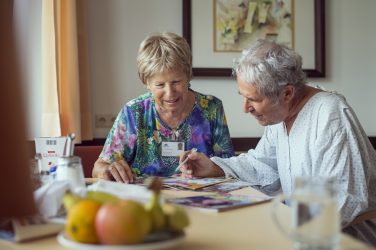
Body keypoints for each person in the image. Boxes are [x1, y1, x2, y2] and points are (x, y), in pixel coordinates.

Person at [179, 39, 376, 246]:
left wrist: (277, 228)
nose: (245, 108)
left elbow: (345, 199)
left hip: (346, 240)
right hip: (297, 234)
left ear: (287, 93)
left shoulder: (330, 115)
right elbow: (262, 165)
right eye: (243, 97)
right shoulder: (279, 116)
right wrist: (214, 166)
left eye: (253, 99)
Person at [92, 32, 235, 183]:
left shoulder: (211, 108)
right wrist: (108, 170)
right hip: (145, 202)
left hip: (200, 200)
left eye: (176, 82)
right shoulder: (134, 112)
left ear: (188, 75)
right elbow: (99, 167)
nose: (170, 93)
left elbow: (230, 166)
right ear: (146, 82)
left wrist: (213, 169)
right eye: (160, 84)